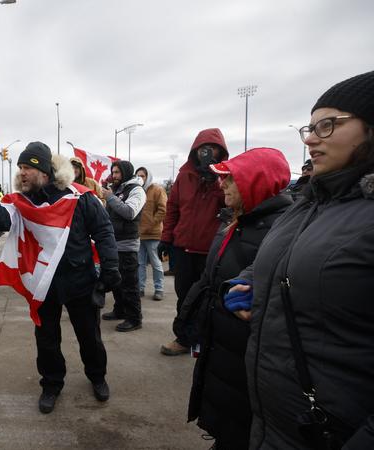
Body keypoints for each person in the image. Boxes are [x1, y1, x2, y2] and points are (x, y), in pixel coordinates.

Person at [227, 71, 374, 449]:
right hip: (277, 422)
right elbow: (275, 260)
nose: (310, 139)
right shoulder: (308, 203)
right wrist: (247, 283)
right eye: (309, 127)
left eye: (327, 125)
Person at [0, 142, 120, 414]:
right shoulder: (22, 202)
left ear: (45, 172)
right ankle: (51, 384)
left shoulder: (80, 197)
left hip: (80, 281)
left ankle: (97, 377)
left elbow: (104, 232)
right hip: (43, 284)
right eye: (20, 168)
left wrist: (110, 270)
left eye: (27, 167)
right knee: (47, 338)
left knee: (89, 336)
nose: (22, 172)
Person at [184, 148, 292, 450]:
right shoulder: (236, 221)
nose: (222, 185)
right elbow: (210, 278)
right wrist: (188, 319)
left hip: (249, 352)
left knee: (241, 424)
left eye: (230, 179)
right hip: (224, 345)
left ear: (255, 183)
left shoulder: (281, 231)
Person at [159, 128, 228, 356]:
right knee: (185, 296)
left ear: (221, 151)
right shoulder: (183, 176)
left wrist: (216, 182)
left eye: (213, 147)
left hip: (211, 250)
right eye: (202, 148)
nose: (207, 152)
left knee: (210, 297)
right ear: (195, 150)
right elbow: (173, 209)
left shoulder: (227, 176)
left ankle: (207, 340)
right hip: (183, 249)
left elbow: (233, 207)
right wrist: (166, 238)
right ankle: (184, 338)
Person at [101, 160, 146, 332]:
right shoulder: (117, 190)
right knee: (117, 282)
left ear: (126, 172)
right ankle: (119, 310)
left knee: (129, 284)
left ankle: (134, 318)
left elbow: (129, 212)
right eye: (113, 172)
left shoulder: (136, 190)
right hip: (114, 243)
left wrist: (110, 197)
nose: (114, 176)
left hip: (128, 245)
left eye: (117, 172)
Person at [135, 166, 167, 301]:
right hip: (138, 234)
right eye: (137, 176)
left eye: (142, 176)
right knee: (140, 263)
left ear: (148, 176)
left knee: (156, 263)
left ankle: (159, 289)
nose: (140, 178)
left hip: (153, 234)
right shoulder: (136, 190)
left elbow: (162, 210)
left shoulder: (157, 190)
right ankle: (140, 288)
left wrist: (150, 225)